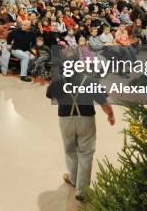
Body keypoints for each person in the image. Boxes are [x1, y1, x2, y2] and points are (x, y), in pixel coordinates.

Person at [46, 67, 115, 202]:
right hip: (86, 120)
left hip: (66, 121)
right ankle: (82, 191)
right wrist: (110, 114)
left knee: (70, 150)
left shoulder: (58, 80)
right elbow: (103, 102)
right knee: (86, 153)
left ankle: (73, 179)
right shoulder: (91, 81)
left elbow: (50, 95)